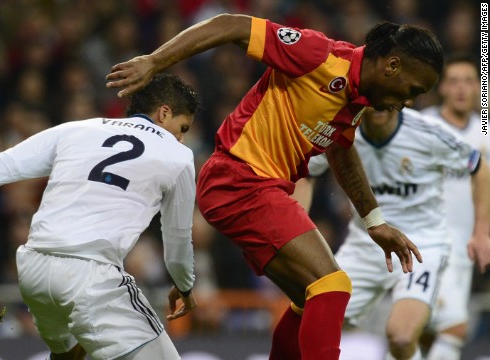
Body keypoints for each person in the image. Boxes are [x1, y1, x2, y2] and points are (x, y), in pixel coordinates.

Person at [106, 13, 442, 360]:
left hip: (257, 188)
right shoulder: (318, 55)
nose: (410, 101)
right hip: (239, 179)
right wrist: (154, 61)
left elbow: (340, 149)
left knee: (309, 299)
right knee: (333, 284)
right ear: (392, 65)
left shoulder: (354, 99)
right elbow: (232, 25)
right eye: (414, 89)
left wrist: (374, 221)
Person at [0, 73, 200, 360]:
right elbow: (177, 239)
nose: (182, 138)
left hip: (34, 268)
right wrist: (184, 285)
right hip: (91, 276)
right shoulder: (179, 156)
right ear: (164, 112)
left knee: (69, 352)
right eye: (182, 128)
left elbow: (0, 166)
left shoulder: (77, 129)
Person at [302, 107, 490, 360]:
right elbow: (303, 172)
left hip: (422, 244)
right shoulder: (342, 131)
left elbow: (479, 167)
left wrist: (481, 232)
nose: (381, 106)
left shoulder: (428, 132)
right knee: (311, 322)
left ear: (403, 99)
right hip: (365, 246)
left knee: (402, 337)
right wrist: (298, 227)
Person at [420, 55, 490, 360]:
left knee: (448, 327)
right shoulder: (423, 124)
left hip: (463, 244)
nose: (461, 88)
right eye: (454, 81)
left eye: (468, 81)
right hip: (420, 240)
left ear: (478, 88)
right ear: (442, 88)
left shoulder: (484, 134)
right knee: (426, 327)